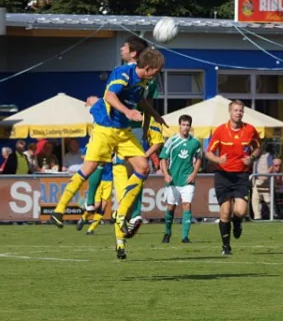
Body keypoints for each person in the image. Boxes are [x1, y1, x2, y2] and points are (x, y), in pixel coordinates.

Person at [49, 47, 166, 260]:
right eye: (156, 71)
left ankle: (121, 216)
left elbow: (139, 101)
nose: (156, 76)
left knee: (143, 167)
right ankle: (59, 209)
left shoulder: (143, 82)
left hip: (123, 132)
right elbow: (110, 96)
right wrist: (128, 112)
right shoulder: (123, 73)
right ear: (147, 68)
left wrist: (155, 115)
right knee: (90, 168)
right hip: (105, 128)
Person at [205, 100, 261, 255]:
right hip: (223, 175)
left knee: (241, 211)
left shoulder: (250, 130)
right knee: (225, 211)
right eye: (236, 110)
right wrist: (217, 160)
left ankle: (237, 223)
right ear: (230, 112)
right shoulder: (220, 131)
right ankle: (226, 247)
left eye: (241, 110)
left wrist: (252, 157)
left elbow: (258, 147)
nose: (238, 113)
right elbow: (208, 152)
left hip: (241, 176)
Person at [159, 114, 202, 243]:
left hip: (187, 179)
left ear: (190, 126)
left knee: (187, 204)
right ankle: (167, 233)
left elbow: (199, 159)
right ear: (179, 126)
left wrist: (194, 174)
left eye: (188, 125)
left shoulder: (195, 142)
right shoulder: (172, 141)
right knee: (170, 207)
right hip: (173, 180)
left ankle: (185, 237)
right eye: (183, 125)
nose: (185, 127)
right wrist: (166, 174)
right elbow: (163, 159)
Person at [77, 162, 113, 235]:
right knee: (96, 205)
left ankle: (91, 229)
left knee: (103, 206)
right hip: (99, 180)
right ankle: (83, 218)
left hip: (109, 181)